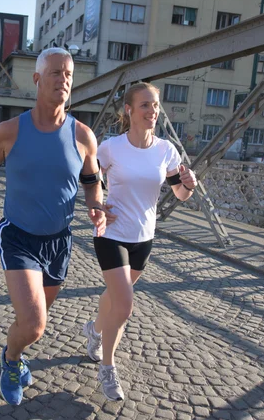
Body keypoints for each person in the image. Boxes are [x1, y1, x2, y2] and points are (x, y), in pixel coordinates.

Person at [0, 47, 107, 406]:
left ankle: (14, 348)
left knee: (34, 319)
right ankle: (11, 360)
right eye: (55, 73)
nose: (63, 80)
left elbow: (92, 179)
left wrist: (96, 205)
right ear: (37, 79)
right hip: (17, 236)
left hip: (58, 243)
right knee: (35, 324)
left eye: (68, 74)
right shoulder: (8, 131)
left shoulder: (83, 135)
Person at [81, 82, 197, 402]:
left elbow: (180, 194)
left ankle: (93, 331)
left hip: (144, 238)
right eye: (145, 105)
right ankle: (107, 367)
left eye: (155, 105)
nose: (152, 111)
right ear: (129, 110)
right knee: (126, 304)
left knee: (114, 297)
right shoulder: (111, 147)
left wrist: (189, 184)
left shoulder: (166, 150)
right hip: (112, 234)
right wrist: (97, 204)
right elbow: (91, 180)